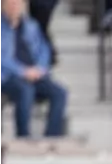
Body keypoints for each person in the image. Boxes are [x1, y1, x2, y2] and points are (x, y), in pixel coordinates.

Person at [0, 0, 66, 138]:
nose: (14, 7)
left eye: (17, 4)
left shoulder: (32, 26)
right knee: (25, 90)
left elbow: (44, 50)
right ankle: (23, 136)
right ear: (3, 6)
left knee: (59, 93)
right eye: (11, 4)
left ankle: (52, 137)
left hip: (34, 74)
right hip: (7, 76)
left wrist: (40, 68)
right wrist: (22, 71)